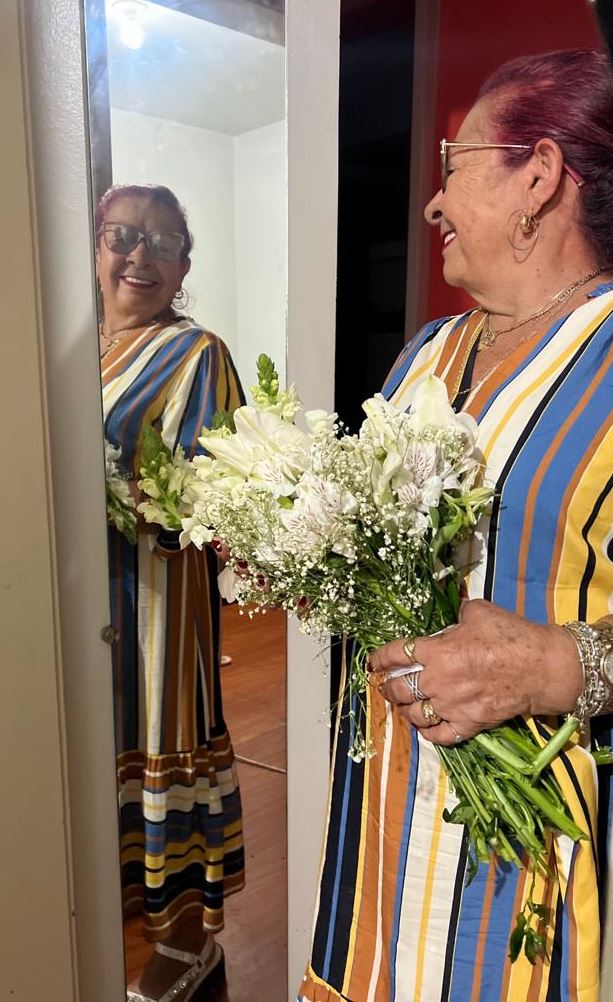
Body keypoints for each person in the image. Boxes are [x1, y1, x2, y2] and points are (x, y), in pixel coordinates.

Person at [299, 49, 613, 1002]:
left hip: (543, 845)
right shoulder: (426, 352)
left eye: (454, 164)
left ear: (537, 177)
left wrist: (554, 665)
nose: (432, 204)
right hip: (382, 830)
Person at [97, 183, 244, 1002]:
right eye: (121, 235)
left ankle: (190, 944)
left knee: (160, 752)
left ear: (184, 263)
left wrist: (129, 494)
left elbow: (218, 499)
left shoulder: (196, 354)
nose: (138, 256)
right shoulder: (64, 346)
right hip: (79, 612)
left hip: (156, 609)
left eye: (161, 242)